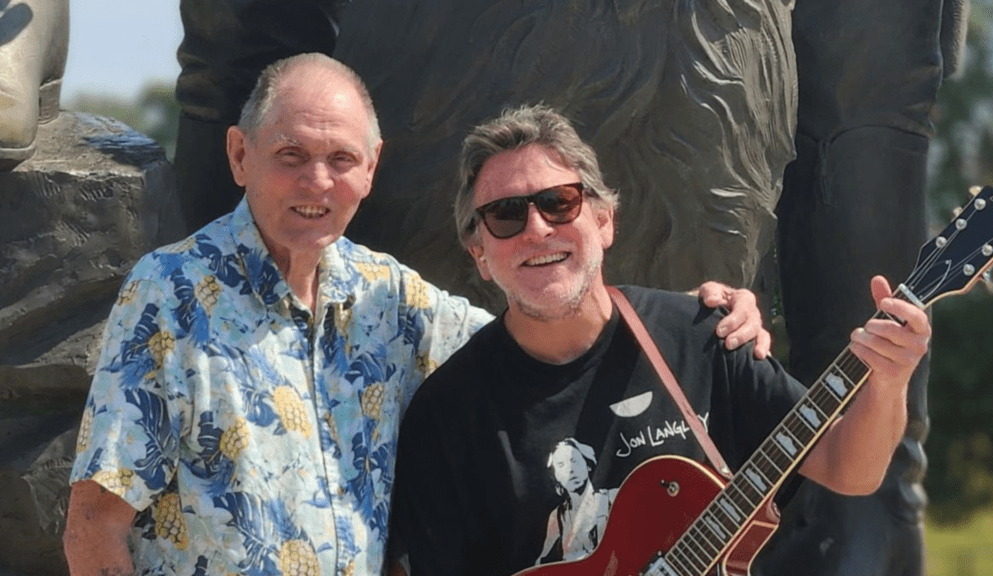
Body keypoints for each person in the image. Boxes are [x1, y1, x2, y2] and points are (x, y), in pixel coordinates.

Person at [62, 55, 768, 576]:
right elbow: (96, 523)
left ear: (371, 169)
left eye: (341, 158)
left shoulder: (392, 299)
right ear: (240, 155)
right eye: (291, 155)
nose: (317, 182)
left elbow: (543, 317)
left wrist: (704, 319)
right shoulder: (170, 294)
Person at [388, 104, 932, 576]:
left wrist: (891, 376)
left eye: (559, 202)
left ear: (604, 221)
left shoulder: (704, 333)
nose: (536, 228)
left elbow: (850, 469)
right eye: (505, 214)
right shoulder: (448, 415)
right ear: (479, 253)